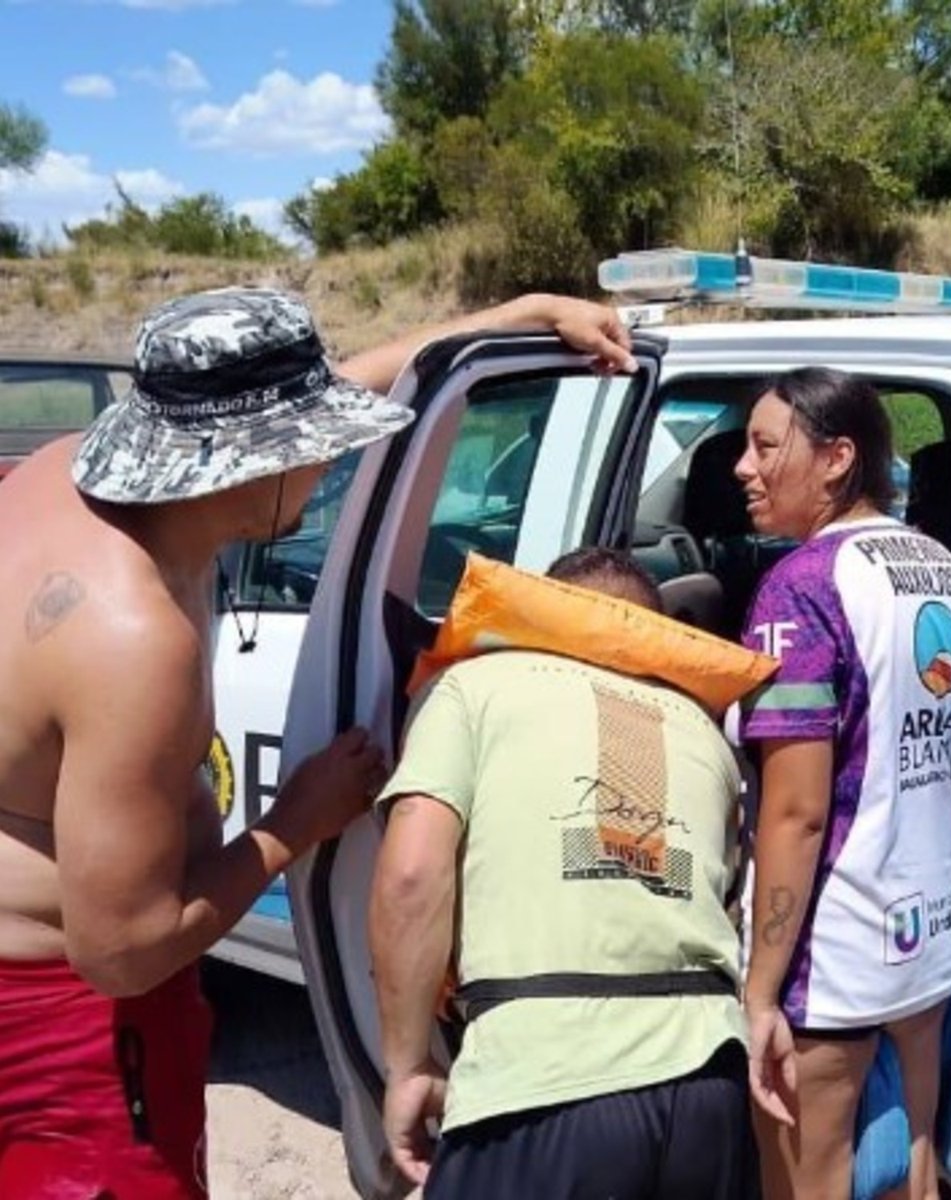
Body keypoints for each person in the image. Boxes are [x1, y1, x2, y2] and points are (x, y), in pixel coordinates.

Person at [0, 286, 635, 1199]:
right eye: (309, 449)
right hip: (76, 1030)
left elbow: (338, 383)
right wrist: (288, 826)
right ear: (243, 464)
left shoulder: (67, 474)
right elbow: (123, 950)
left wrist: (516, 316)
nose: (330, 464)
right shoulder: (133, 640)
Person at [369, 547, 759, 1200]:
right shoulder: (704, 729)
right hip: (709, 1089)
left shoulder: (474, 687)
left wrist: (407, 1066)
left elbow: (411, 875)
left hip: (541, 1082)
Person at [736, 367, 951, 1200]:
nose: (743, 466)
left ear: (836, 459)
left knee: (807, 1178)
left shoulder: (799, 586)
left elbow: (797, 812)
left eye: (766, 446)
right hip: (930, 923)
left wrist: (760, 990)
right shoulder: (940, 565)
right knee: (914, 1163)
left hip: (834, 948)